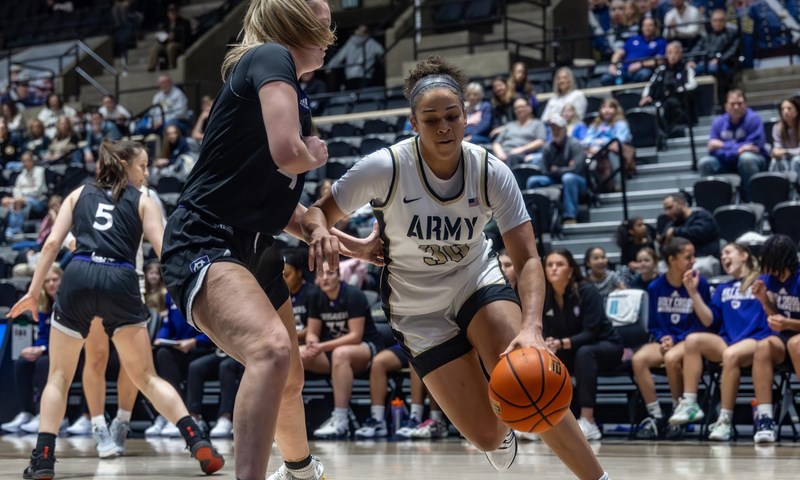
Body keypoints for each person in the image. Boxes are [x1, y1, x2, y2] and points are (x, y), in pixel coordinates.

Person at [302, 55, 609, 479]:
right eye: (431, 120)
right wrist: (333, 237)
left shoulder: (491, 172)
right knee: (486, 435)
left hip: (474, 282)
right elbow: (317, 214)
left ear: (467, 117)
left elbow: (527, 258)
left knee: (531, 378)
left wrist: (533, 327)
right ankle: (497, 431)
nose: (443, 126)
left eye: (452, 116)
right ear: (413, 123)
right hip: (417, 309)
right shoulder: (384, 167)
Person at [157, 1, 378, 479]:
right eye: (320, 15)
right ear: (290, 18)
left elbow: (286, 212)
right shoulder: (269, 56)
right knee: (271, 351)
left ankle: (300, 470)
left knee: (290, 372)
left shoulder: (293, 96)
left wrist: (348, 243)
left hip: (253, 244)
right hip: (205, 237)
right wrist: (312, 157)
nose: (330, 24)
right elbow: (289, 153)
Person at [9, 140, 224, 478]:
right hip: (122, 278)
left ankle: (43, 458)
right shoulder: (144, 201)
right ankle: (196, 440)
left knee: (59, 376)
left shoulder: (78, 194)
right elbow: (165, 251)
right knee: (147, 376)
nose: (147, 172)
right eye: (143, 165)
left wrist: (33, 291)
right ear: (125, 166)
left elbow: (51, 243)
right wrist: (191, 295)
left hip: (79, 275)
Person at [667, 242, 771, 441]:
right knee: (693, 340)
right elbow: (709, 320)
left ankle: (725, 421)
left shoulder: (762, 280)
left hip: (756, 340)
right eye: (722, 255)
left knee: (730, 355)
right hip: (729, 341)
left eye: (728, 252)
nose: (724, 257)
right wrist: (693, 293)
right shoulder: (724, 287)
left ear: (744, 256)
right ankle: (689, 403)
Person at [632, 237, 712, 440]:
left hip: (690, 340)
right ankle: (656, 415)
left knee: (671, 358)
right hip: (666, 340)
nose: (693, 260)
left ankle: (679, 412)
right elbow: (654, 324)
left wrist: (677, 339)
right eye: (688, 256)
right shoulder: (655, 287)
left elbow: (704, 323)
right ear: (672, 259)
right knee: (638, 359)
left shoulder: (699, 282)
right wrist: (663, 337)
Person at [542, 249, 624, 441]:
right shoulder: (546, 296)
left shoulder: (587, 290)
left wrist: (561, 343)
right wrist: (548, 343)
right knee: (544, 358)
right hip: (572, 350)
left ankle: (589, 421)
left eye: (559, 264)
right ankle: (547, 419)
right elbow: (545, 329)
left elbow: (591, 331)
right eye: (550, 265)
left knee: (584, 353)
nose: (554, 269)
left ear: (570, 269)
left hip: (606, 346)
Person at [304, 261, 385, 438]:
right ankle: (288, 421)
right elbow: (312, 332)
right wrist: (311, 343)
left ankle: (341, 420)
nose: (325, 278)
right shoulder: (315, 296)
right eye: (321, 274)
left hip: (364, 348)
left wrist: (321, 346)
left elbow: (355, 336)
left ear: (339, 276)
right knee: (295, 355)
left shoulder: (353, 294)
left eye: (330, 273)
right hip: (331, 350)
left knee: (341, 354)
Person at [750, 234, 800, 443]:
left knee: (796, 343)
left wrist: (789, 324)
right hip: (786, 341)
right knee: (763, 346)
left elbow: (786, 323)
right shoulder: (769, 280)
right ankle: (765, 418)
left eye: (769, 261)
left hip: (796, 340)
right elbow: (774, 316)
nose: (766, 267)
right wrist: (763, 301)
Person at [0, 264, 61, 434]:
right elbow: (42, 334)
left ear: (63, 280)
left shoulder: (70, 303)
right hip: (47, 350)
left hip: (69, 353)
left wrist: (42, 349)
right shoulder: (43, 305)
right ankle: (26, 412)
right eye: (47, 281)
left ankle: (47, 415)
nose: (51, 284)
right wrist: (36, 347)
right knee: (22, 362)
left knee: (43, 363)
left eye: (55, 280)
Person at [698, 89, 767, 202]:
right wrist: (736, 150)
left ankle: (752, 201)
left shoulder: (753, 119)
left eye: (739, 103)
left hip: (754, 160)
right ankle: (715, 203)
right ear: (726, 106)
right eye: (732, 104)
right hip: (726, 161)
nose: (736, 107)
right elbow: (712, 149)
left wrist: (723, 146)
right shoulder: (718, 122)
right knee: (705, 163)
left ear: (745, 104)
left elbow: (754, 145)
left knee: (746, 158)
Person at [525, 115, 587, 225]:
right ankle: (539, 219)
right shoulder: (547, 147)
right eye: (553, 129)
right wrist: (566, 168)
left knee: (568, 178)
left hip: (578, 180)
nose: (555, 131)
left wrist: (556, 169)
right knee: (532, 181)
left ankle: (570, 216)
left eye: (558, 128)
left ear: (564, 129)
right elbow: (544, 170)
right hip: (554, 178)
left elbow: (577, 169)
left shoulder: (575, 144)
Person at [639, 41, 698, 145]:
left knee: (670, 105)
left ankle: (665, 136)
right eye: (670, 53)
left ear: (680, 54)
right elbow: (650, 85)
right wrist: (646, 96)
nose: (672, 56)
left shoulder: (686, 68)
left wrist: (678, 90)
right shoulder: (661, 69)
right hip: (661, 100)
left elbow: (692, 84)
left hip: (679, 101)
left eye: (675, 53)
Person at [658, 192, 720, 277]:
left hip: (703, 257)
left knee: (698, 268)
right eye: (665, 209)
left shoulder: (702, 216)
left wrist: (675, 232)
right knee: (659, 268)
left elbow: (699, 233)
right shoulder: (672, 224)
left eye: (670, 208)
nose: (667, 213)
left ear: (681, 203)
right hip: (679, 260)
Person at [601, 16, 667, 85]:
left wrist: (641, 64)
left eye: (650, 25)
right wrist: (613, 64)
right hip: (625, 69)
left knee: (645, 74)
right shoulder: (634, 39)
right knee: (605, 78)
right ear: (641, 27)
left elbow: (660, 60)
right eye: (645, 25)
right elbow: (619, 52)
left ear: (655, 28)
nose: (647, 28)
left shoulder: (660, 42)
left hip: (642, 70)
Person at [324, 24, 384, 90]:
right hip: (364, 75)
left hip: (353, 76)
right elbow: (381, 52)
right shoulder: (370, 42)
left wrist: (330, 66)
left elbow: (339, 56)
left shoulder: (355, 42)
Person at [491, 97, 547, 168]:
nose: (519, 110)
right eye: (516, 108)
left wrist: (522, 149)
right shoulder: (509, 125)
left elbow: (541, 141)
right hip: (503, 153)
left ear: (530, 108)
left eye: (522, 107)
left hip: (522, 154)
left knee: (512, 158)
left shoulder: (537, 124)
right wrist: (500, 153)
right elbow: (496, 143)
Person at [147, 3, 191, 71]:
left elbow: (185, 36)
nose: (172, 14)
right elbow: (160, 35)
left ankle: (171, 65)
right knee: (155, 48)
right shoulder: (165, 24)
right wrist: (164, 37)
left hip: (178, 43)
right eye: (171, 12)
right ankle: (151, 67)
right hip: (166, 42)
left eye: (174, 12)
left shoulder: (184, 23)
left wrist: (174, 36)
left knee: (170, 47)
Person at [768, 96, 800, 179]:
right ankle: (777, 187)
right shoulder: (777, 127)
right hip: (786, 158)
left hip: (797, 158)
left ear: (797, 110)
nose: (786, 112)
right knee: (775, 161)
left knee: (796, 161)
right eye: (783, 109)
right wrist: (776, 151)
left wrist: (786, 151)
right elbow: (778, 146)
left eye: (789, 108)